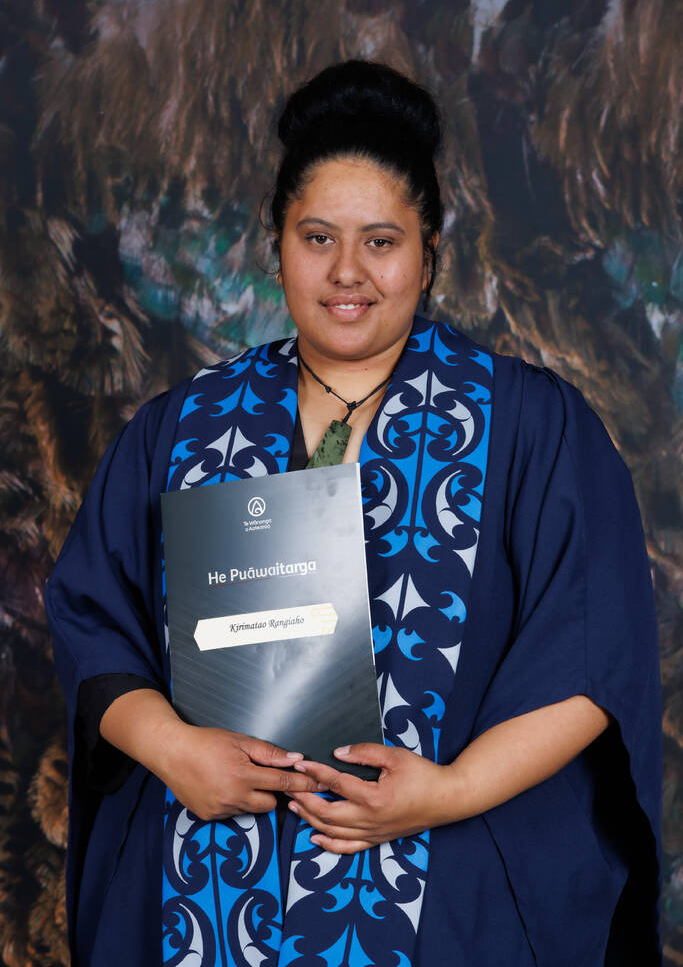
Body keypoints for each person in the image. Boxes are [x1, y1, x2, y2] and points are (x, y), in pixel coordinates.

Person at [46, 60, 662, 967]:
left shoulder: (531, 427)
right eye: (316, 237)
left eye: (381, 241)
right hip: (210, 880)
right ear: (277, 243)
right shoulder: (181, 428)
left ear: (430, 250)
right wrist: (175, 751)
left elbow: (593, 645)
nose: (346, 274)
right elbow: (95, 618)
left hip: (443, 893)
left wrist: (447, 793)